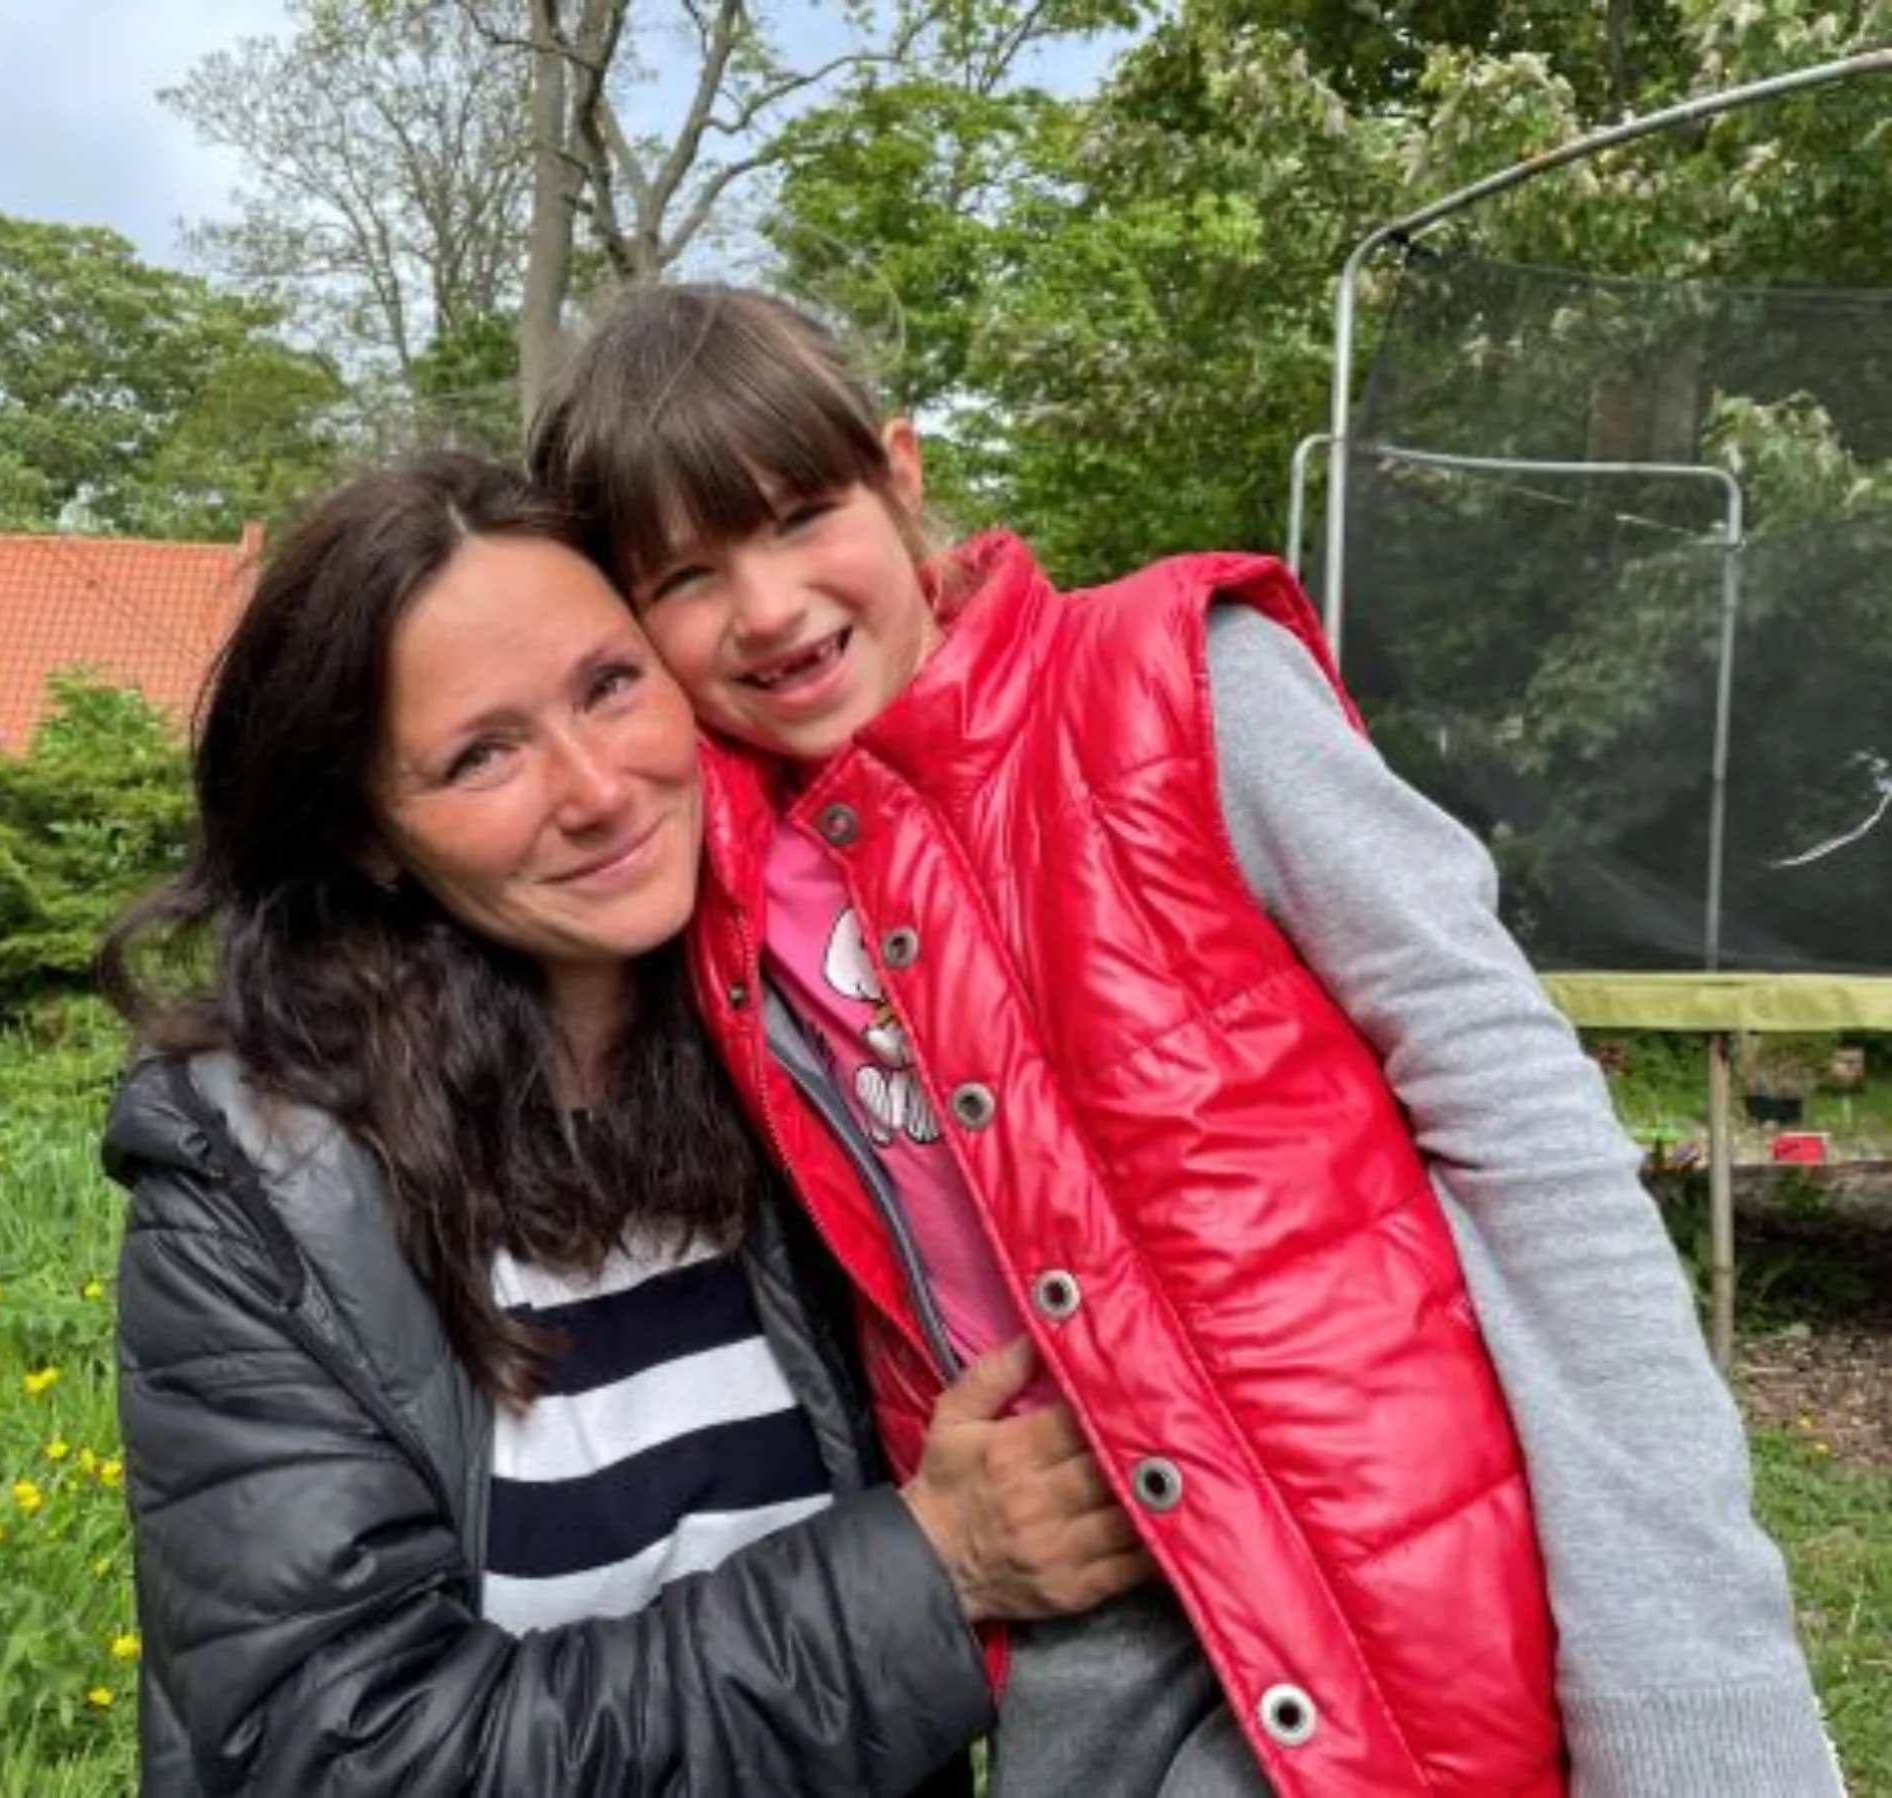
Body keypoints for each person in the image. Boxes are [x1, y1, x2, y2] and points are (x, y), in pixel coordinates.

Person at [528, 284, 1842, 1798]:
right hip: (1072, 1663)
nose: (764, 607)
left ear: (900, 474)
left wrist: (1698, 1692)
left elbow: (1532, 1143)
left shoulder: (1179, 685)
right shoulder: (710, 885)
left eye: (801, 512)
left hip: (1388, 1611)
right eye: (687, 574)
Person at [96, 452, 1153, 1797]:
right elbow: (351, 1754)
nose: (595, 788)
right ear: (371, 832)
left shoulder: (814, 1061)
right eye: (483, 752)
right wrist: (935, 1570)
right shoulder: (267, 1187)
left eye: (609, 684)